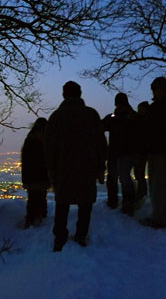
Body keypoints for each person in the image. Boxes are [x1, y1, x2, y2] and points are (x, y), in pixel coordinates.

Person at [45, 81, 107, 251]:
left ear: (64, 95)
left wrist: (51, 169)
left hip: (63, 168)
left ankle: (59, 238)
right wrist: (101, 166)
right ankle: (81, 235)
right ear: (80, 94)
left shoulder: (57, 116)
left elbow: (49, 146)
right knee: (85, 203)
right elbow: (101, 144)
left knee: (62, 203)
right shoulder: (91, 114)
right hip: (87, 167)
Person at [140, 77, 166, 229]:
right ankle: (157, 216)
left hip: (162, 152)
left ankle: (159, 219)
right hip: (160, 152)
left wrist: (146, 116)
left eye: (155, 89)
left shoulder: (163, 108)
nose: (154, 92)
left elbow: (156, 129)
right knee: (157, 185)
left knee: (159, 186)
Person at [103, 93, 137, 215]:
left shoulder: (130, 116)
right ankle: (116, 201)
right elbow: (100, 127)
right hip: (116, 153)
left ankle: (127, 202)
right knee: (115, 178)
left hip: (125, 153)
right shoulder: (115, 117)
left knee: (123, 178)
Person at [21, 117, 50, 228]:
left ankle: (30, 219)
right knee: (41, 197)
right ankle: (41, 219)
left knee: (32, 198)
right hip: (41, 175)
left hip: (30, 176)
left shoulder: (29, 139)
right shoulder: (44, 139)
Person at [133, 101, 150, 210]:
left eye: (140, 109)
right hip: (141, 150)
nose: (139, 111)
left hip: (141, 151)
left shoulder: (144, 121)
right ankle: (141, 193)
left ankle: (141, 193)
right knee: (139, 173)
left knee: (139, 173)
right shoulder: (142, 120)